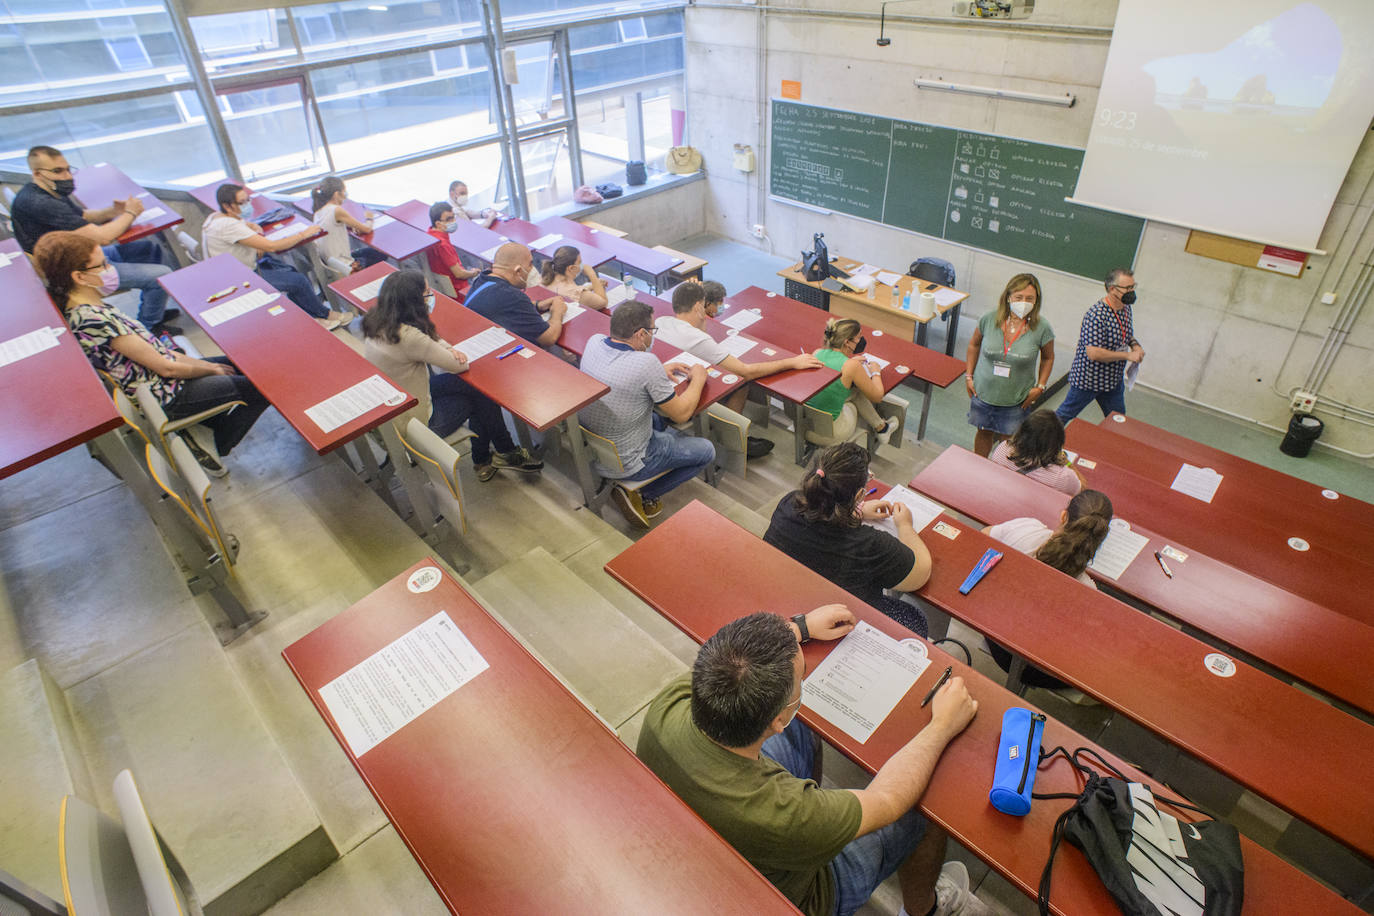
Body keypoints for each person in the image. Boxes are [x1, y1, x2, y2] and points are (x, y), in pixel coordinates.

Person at [636, 607, 987, 916]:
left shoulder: (672, 703)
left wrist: (800, 628)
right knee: (923, 811)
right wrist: (941, 726)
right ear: (776, 721)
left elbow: (738, 662)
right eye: (800, 679)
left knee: (806, 731)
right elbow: (889, 800)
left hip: (711, 833)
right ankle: (923, 909)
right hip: (809, 894)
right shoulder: (788, 813)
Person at [34, 231, 268, 477]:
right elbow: (166, 368)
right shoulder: (93, 319)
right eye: (102, 265)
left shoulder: (90, 306)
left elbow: (160, 353)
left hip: (164, 375)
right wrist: (210, 369)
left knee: (246, 365)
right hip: (166, 394)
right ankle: (216, 443)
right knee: (263, 387)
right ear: (79, 276)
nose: (110, 269)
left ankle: (203, 425)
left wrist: (201, 366)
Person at [360, 270, 541, 482]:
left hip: (397, 404)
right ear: (414, 302)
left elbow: (432, 341)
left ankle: (494, 456)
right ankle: (500, 453)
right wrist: (451, 352)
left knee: (475, 390)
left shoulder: (380, 322)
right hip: (415, 423)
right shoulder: (409, 337)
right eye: (427, 294)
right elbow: (458, 366)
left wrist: (447, 348)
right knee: (480, 394)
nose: (430, 299)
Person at [764, 443, 931, 637]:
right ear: (860, 495)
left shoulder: (788, 503)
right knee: (915, 617)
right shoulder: (870, 545)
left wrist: (856, 512)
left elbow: (821, 512)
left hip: (791, 598)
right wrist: (905, 526)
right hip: (843, 623)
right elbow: (921, 572)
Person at [578, 300, 717, 528]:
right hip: (631, 459)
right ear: (641, 334)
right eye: (652, 331)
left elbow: (620, 370)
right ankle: (644, 492)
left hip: (600, 447)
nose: (653, 336)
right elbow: (682, 414)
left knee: (656, 417)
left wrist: (657, 373)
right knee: (706, 451)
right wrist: (699, 379)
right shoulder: (646, 363)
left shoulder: (594, 342)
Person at [12, 145, 177, 332]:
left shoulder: (48, 191)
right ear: (37, 173)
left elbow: (83, 216)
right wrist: (131, 213)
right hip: (77, 272)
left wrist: (114, 211)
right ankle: (150, 326)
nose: (67, 176)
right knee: (160, 274)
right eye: (57, 171)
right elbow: (103, 237)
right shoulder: (40, 203)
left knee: (149, 249)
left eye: (67, 169)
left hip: (82, 255)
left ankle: (156, 306)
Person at [655, 280, 822, 458]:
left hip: (668, 391)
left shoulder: (661, 321)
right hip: (685, 399)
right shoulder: (697, 339)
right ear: (698, 306)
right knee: (741, 382)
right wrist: (792, 362)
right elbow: (745, 371)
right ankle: (731, 438)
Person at [981, 490, 1113, 689]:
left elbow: (982, 538)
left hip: (995, 638)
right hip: (1039, 671)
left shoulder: (1026, 529)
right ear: (1101, 536)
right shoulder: (1088, 591)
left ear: (1063, 516)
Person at [203, 184, 351, 331]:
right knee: (298, 281)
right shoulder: (227, 226)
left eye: (248, 200)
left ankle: (311, 316)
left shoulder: (216, 217)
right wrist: (303, 234)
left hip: (235, 271)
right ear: (227, 206)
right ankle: (323, 315)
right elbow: (272, 246)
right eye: (242, 203)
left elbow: (247, 226)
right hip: (240, 279)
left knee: (290, 271)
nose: (248, 205)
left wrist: (255, 234)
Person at [964, 273, 1054, 457]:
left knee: (1010, 440)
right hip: (984, 392)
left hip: (1017, 398)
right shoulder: (989, 319)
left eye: (1030, 298)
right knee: (983, 432)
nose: (1024, 302)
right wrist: (968, 376)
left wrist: (1040, 387)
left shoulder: (1043, 327)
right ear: (1008, 297)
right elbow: (974, 344)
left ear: (1037, 301)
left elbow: (1048, 358)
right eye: (1018, 297)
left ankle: (1002, 474)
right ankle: (977, 467)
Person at [1054, 268, 1144, 424]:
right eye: (1127, 288)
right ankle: (1037, 442)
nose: (1131, 291)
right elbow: (1093, 353)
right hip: (1089, 380)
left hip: (1113, 381)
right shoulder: (1096, 315)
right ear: (1112, 289)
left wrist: (1136, 346)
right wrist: (1127, 355)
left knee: (1118, 420)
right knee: (1061, 417)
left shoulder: (1126, 308)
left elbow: (1127, 334)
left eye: (1133, 287)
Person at [805, 318, 897, 447]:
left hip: (805, 426)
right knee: (857, 396)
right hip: (831, 434)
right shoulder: (851, 366)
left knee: (852, 391)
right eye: (859, 338)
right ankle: (881, 428)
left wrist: (852, 362)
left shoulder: (817, 353)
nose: (861, 341)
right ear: (847, 342)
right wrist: (876, 372)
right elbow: (877, 396)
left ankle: (882, 428)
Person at [465, 242, 565, 348]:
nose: (533, 269)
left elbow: (504, 306)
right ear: (518, 271)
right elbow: (548, 338)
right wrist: (557, 312)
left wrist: (537, 305)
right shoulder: (512, 296)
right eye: (530, 264)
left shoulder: (483, 278)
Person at [987, 410, 1083, 496]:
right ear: (1056, 442)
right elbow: (1081, 489)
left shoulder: (1003, 448)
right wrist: (1068, 463)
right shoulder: (1062, 477)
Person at [310, 176, 385, 274]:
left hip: (333, 264)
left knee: (369, 252)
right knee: (380, 253)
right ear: (337, 194)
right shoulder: (336, 210)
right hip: (347, 266)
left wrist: (351, 225)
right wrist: (369, 218)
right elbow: (367, 229)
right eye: (344, 192)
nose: (345, 196)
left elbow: (331, 225)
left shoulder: (318, 212)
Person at [424, 201, 479, 298]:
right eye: (449, 219)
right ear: (438, 223)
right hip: (457, 290)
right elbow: (459, 274)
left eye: (453, 216)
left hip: (443, 287)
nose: (453, 221)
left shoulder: (429, 234)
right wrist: (474, 273)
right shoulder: (443, 245)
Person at [539, 245, 608, 310]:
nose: (582, 265)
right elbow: (603, 302)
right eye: (580, 262)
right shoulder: (577, 293)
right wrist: (592, 275)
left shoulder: (543, 279)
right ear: (571, 268)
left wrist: (591, 286)